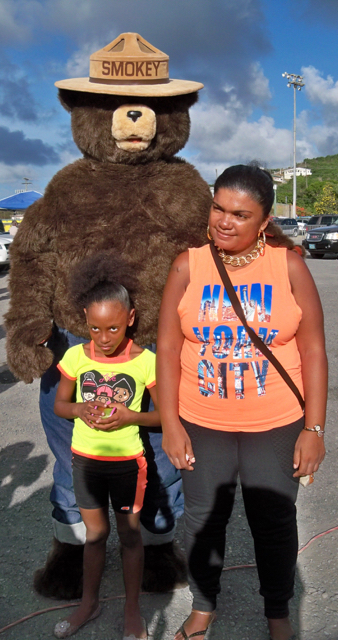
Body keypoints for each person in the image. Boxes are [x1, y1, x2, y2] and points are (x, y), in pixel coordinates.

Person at [157, 164, 327, 640]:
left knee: (272, 522)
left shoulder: (288, 265)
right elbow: (168, 348)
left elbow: (313, 347)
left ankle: (277, 612)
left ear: (265, 220)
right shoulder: (187, 265)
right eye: (217, 208)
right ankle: (204, 604)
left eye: (239, 213)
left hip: (275, 424)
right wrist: (170, 423)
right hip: (201, 422)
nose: (223, 221)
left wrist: (314, 429)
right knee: (202, 521)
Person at [53, 254, 159, 639]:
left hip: (128, 464)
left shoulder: (146, 361)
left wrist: (130, 417)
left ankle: (132, 609)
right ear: (85, 320)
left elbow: (164, 417)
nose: (103, 337)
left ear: (130, 318)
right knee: (94, 536)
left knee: (130, 536)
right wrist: (80, 407)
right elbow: (60, 405)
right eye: (95, 328)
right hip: (85, 461)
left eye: (113, 327)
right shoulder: (75, 356)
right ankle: (89, 603)